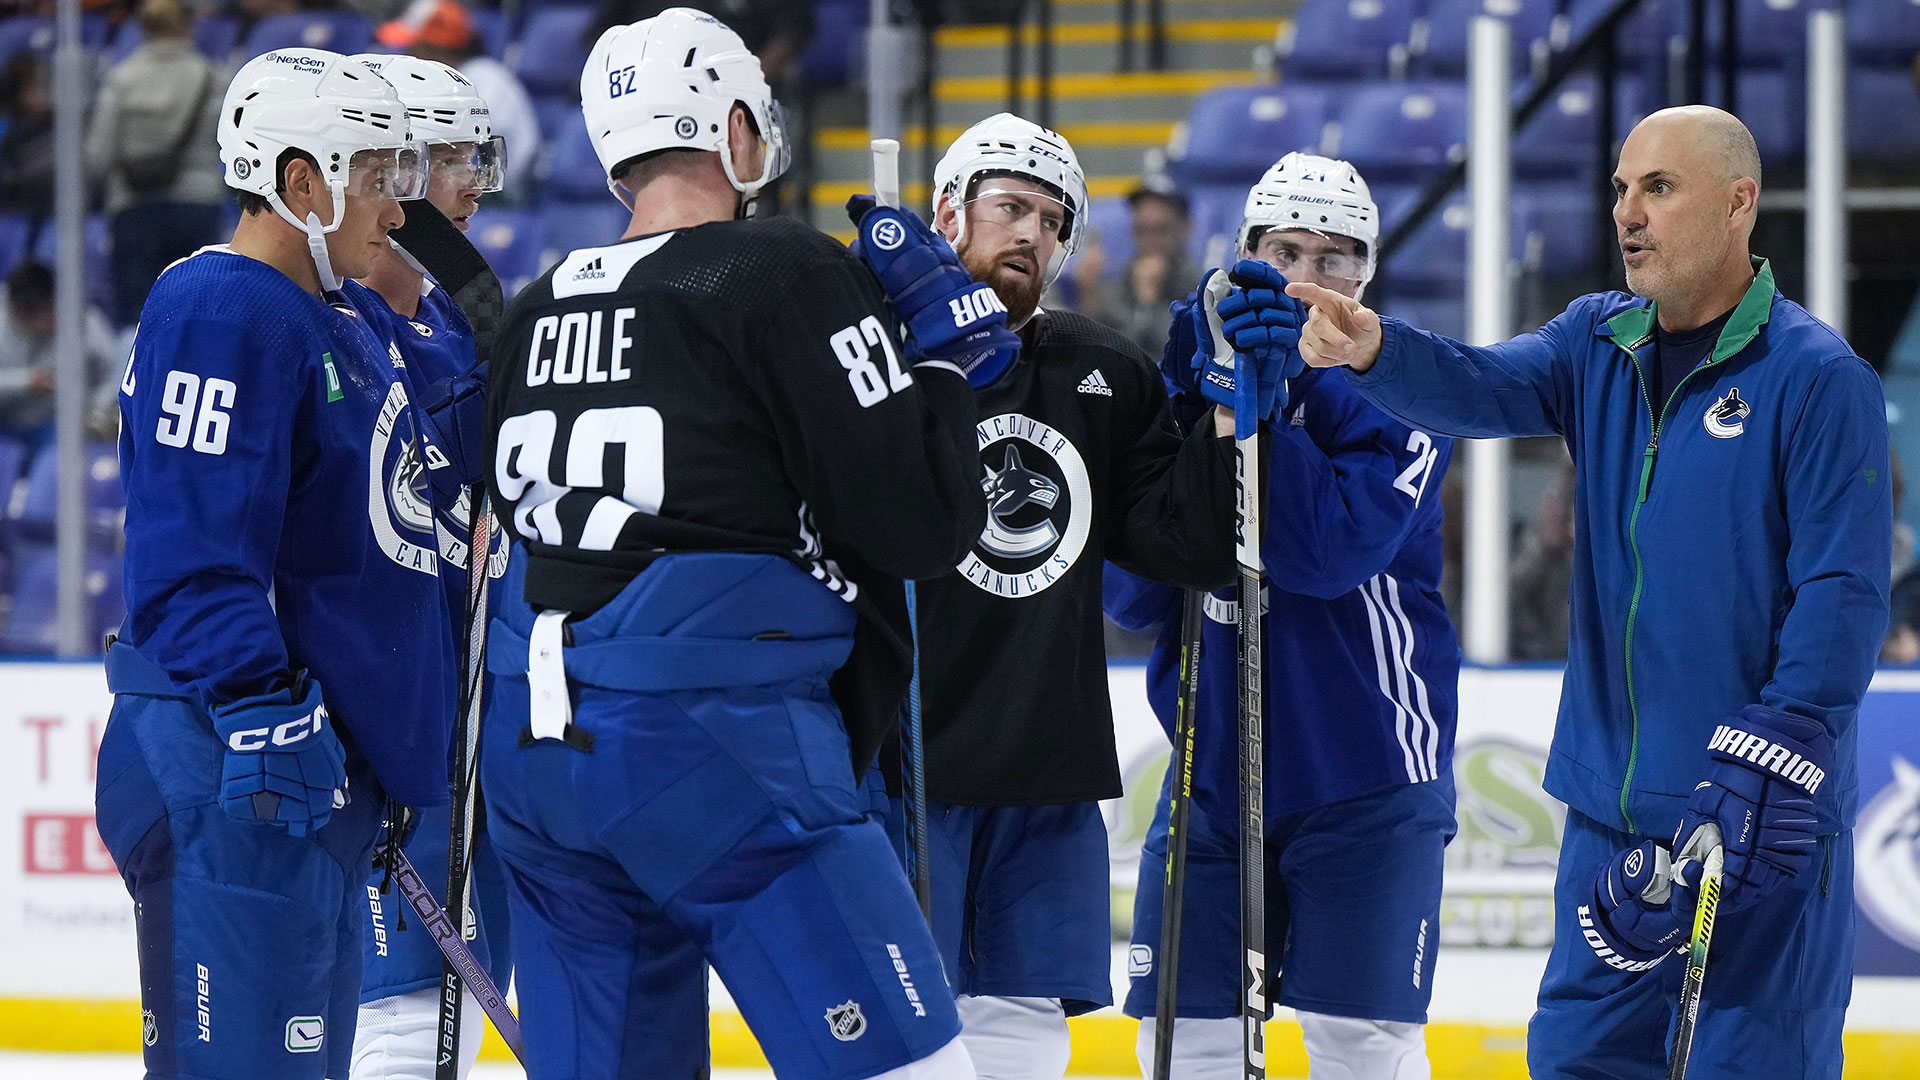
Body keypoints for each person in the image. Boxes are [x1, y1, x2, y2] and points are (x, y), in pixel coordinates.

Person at [1292, 105, 1888, 1080]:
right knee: (1575, 1062)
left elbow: (1843, 591)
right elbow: (1480, 386)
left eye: (1658, 187)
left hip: (1758, 822)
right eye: (1620, 188)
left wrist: (1783, 745)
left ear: (1739, 204)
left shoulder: (1819, 380)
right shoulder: (1593, 342)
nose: (1627, 213)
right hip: (1610, 825)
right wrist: (1374, 350)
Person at [479, 10, 991, 1077]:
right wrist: (946, 358)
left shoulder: (535, 304)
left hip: (533, 761)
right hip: (712, 743)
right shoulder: (777, 270)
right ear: (732, 129)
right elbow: (916, 523)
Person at [848, 113, 1259, 1079]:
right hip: (906, 764)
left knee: (1027, 1038)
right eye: (1010, 207)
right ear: (948, 213)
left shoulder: (1101, 368)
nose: (1031, 233)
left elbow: (1188, 549)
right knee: (908, 1033)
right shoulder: (874, 355)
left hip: (1048, 767)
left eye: (1051, 219)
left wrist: (1222, 407)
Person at [93, 48, 462, 1080]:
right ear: (301, 181)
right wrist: (262, 702)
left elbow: (469, 402)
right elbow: (192, 542)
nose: (398, 210)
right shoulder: (224, 307)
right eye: (380, 176)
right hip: (238, 760)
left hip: (309, 777)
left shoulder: (347, 319)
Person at [1105, 150, 1459, 1080]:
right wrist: (1207, 403)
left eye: (1336, 259)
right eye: (1286, 250)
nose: (1308, 280)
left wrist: (1260, 415)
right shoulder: (1183, 378)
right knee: (1182, 1046)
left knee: (1363, 1050)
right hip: (1213, 779)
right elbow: (1131, 592)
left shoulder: (1403, 397)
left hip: (1368, 777)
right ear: (1245, 253)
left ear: (1367, 276)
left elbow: (1322, 557)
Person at [342, 52, 510, 1080]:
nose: (476, 183)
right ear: (393, 169)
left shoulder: (455, 320)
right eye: (454, 156)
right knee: (403, 1018)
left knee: (462, 1005)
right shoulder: (335, 327)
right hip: (385, 726)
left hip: (467, 709)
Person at [85, 0, 226, 328]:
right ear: (186, 25)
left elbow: (98, 157)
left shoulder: (122, 79)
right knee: (199, 312)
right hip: (197, 203)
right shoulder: (211, 76)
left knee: (138, 314)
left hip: (134, 207)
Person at [377, 0, 541, 199]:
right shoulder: (433, 83)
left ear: (433, 49)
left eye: (414, 47)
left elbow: (473, 153)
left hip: (500, 193)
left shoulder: (485, 78)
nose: (408, 54)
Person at [0, 258, 119, 451]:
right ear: (19, 313)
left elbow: (113, 366)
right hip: (6, 422)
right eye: (46, 314)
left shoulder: (80, 319)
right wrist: (26, 381)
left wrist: (97, 403)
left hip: (53, 424)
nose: (55, 318)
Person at [1072, 181, 1201, 359]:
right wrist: (1089, 296)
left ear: (1186, 228)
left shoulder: (1201, 289)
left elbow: (1180, 353)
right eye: (1141, 231)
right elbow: (1097, 353)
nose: (1150, 241)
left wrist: (1148, 303)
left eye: (1161, 230)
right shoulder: (1121, 283)